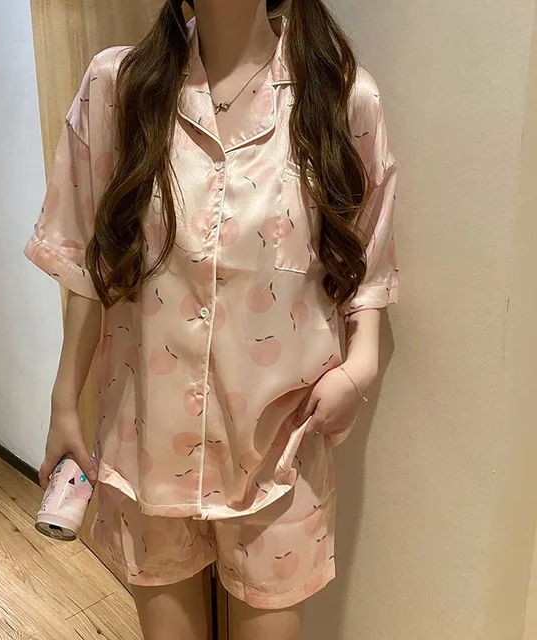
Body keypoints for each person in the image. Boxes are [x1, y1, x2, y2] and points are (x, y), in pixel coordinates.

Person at [23, 0, 398, 638]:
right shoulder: (118, 88)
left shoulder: (341, 99)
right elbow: (88, 261)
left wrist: (360, 367)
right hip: (148, 440)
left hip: (280, 447)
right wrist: (65, 403)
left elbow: (369, 259)